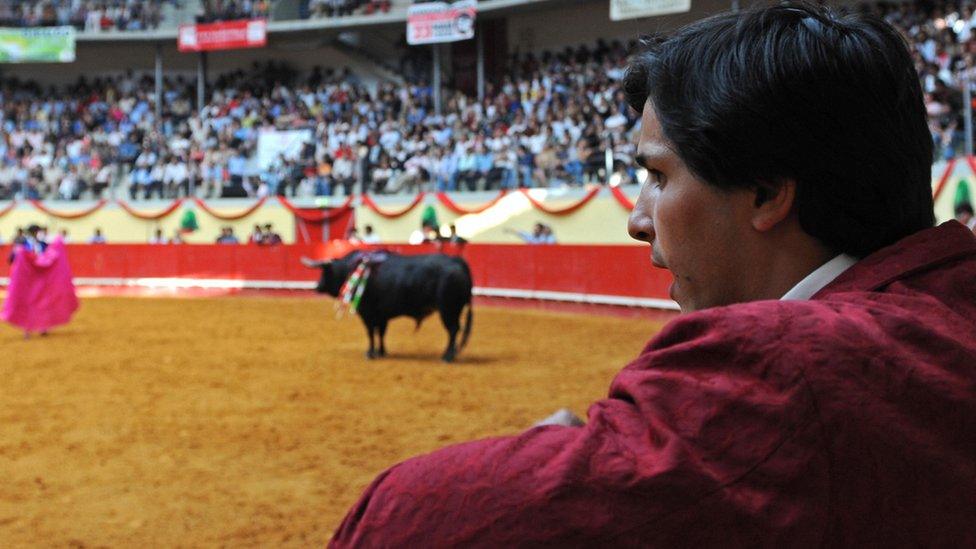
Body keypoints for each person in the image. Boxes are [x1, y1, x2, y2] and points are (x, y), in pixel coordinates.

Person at [330, 4, 976, 546]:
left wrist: (545, 474)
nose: (638, 220)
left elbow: (396, 525)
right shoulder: (949, 301)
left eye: (659, 175)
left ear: (766, 191)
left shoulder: (785, 365)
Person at [2, 229, 78, 338]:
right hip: (28, 280)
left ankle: (42, 328)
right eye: (35, 232)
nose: (36, 234)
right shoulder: (24, 244)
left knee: (41, 301)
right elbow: (12, 259)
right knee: (30, 302)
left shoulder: (41, 243)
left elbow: (50, 256)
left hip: (40, 279)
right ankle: (27, 330)